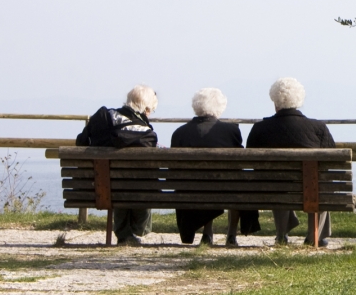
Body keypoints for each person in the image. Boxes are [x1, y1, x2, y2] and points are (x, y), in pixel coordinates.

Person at [246, 77, 335, 246]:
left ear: (274, 101)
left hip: (272, 189)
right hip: (310, 188)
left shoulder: (260, 129)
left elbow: (252, 162)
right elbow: (329, 163)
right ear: (299, 101)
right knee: (318, 185)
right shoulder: (318, 128)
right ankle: (315, 237)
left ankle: (281, 235)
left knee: (278, 185)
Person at [171, 88, 260, 246]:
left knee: (204, 186)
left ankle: (207, 233)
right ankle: (231, 234)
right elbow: (237, 164)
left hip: (190, 189)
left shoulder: (180, 133)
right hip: (224, 188)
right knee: (236, 183)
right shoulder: (231, 130)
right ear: (219, 107)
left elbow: (173, 171)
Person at [76, 85, 158, 246]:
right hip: (132, 190)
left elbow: (81, 142)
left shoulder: (102, 117)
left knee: (117, 184)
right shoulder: (146, 134)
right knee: (137, 183)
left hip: (97, 187)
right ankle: (138, 229)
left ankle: (124, 233)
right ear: (146, 110)